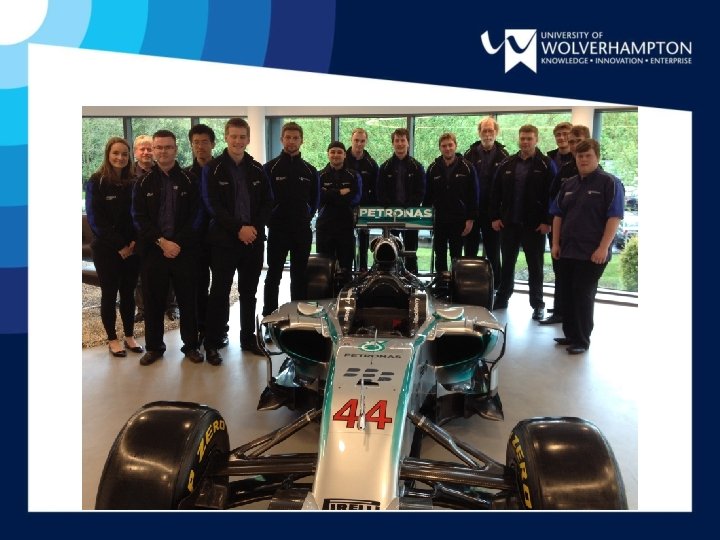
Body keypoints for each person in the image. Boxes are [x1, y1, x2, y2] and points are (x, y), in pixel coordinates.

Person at [202, 118, 273, 365]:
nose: (238, 141)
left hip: (252, 240)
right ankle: (212, 343)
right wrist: (238, 229)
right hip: (224, 241)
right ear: (226, 137)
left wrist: (253, 228)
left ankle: (248, 338)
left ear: (248, 139)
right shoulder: (212, 169)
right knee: (219, 293)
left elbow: (268, 202)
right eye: (233, 136)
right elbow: (212, 205)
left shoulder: (257, 169)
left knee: (249, 293)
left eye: (242, 136)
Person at [132, 129, 203, 366]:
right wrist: (162, 242)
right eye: (159, 147)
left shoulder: (190, 180)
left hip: (184, 251)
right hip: (154, 252)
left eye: (168, 147)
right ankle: (154, 347)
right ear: (153, 150)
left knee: (188, 301)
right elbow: (138, 217)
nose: (163, 151)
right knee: (153, 303)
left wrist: (177, 243)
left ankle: (191, 346)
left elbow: (197, 215)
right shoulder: (142, 183)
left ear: (176, 149)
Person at [550, 139, 624, 354]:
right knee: (567, 293)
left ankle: (582, 340)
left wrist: (603, 248)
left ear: (597, 157)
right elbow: (558, 215)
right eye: (580, 156)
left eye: (588, 155)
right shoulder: (569, 184)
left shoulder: (610, 183)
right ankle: (570, 334)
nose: (583, 159)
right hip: (567, 249)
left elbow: (614, 217)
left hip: (592, 252)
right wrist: (555, 243)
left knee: (582, 294)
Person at [85, 137, 143, 357]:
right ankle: (112, 339)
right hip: (106, 249)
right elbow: (95, 219)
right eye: (115, 153)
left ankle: (129, 335)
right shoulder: (97, 181)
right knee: (109, 294)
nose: (120, 157)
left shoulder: (134, 182)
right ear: (108, 155)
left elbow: (139, 215)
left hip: (132, 248)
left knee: (128, 293)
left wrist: (133, 243)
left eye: (124, 154)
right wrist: (120, 245)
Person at [490, 124, 554, 320]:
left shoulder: (546, 164)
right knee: (507, 264)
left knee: (535, 266)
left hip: (534, 226)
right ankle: (502, 298)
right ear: (519, 139)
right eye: (523, 138)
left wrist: (547, 221)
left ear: (536, 140)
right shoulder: (507, 163)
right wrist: (495, 217)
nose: (525, 142)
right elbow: (495, 192)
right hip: (509, 224)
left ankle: (537, 304)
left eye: (529, 138)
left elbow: (553, 195)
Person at [262, 121, 320, 335]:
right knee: (273, 276)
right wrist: (271, 219)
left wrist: (305, 217)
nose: (291, 141)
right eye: (288, 137)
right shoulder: (269, 168)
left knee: (299, 276)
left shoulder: (310, 170)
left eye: (296, 138)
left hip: (301, 231)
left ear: (301, 140)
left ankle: (299, 321)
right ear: (282, 140)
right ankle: (269, 321)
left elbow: (315, 200)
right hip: (278, 230)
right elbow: (263, 199)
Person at [540, 124, 591, 325]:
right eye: (572, 142)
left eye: (578, 141)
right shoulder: (565, 170)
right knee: (561, 272)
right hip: (560, 229)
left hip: (585, 235)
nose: (574, 145)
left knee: (580, 282)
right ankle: (561, 311)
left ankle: (574, 319)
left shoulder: (598, 174)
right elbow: (553, 198)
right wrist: (550, 223)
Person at [185, 123, 229, 349]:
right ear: (191, 145)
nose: (200, 146)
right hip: (195, 241)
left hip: (221, 239)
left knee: (220, 287)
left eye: (204, 142)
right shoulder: (185, 175)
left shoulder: (223, 170)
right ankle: (201, 328)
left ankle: (220, 329)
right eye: (196, 142)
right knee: (198, 287)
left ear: (213, 144)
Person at [463, 117, 509, 287]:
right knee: (470, 251)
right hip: (473, 213)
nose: (487, 134)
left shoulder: (504, 157)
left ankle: (495, 287)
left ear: (496, 132)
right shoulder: (469, 154)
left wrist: (499, 214)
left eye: (491, 130)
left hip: (493, 214)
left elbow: (506, 189)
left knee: (493, 252)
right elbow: (464, 186)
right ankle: (468, 286)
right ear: (479, 132)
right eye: (484, 131)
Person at [424, 132, 478, 272]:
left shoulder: (467, 167)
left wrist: (470, 219)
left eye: (450, 145)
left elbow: (473, 195)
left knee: (456, 256)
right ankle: (440, 282)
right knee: (440, 255)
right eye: (444, 146)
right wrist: (427, 218)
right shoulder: (432, 168)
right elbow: (427, 195)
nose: (447, 148)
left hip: (459, 220)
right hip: (439, 220)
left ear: (455, 146)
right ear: (440, 148)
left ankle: (456, 283)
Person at [376, 128, 426, 274]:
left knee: (411, 251)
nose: (400, 144)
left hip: (411, 214)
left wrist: (408, 207)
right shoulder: (384, 167)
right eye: (397, 140)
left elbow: (421, 191)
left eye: (402, 140)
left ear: (408, 143)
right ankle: (390, 277)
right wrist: (391, 207)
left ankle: (412, 278)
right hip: (390, 216)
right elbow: (380, 191)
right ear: (393, 143)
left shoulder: (417, 167)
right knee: (390, 250)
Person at [317, 141, 362, 282]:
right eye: (332, 152)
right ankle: (325, 293)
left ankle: (345, 293)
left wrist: (329, 193)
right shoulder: (319, 175)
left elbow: (356, 198)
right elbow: (318, 197)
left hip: (345, 226)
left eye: (339, 152)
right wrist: (340, 193)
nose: (336, 155)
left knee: (346, 267)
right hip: (325, 226)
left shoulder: (354, 175)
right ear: (328, 154)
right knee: (323, 267)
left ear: (344, 155)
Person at [344, 128, 379, 272]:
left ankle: (363, 269)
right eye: (356, 140)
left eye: (362, 141)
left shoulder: (371, 164)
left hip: (365, 208)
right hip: (346, 208)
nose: (359, 144)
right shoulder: (343, 160)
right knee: (347, 242)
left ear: (366, 142)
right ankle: (347, 271)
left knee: (364, 241)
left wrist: (373, 208)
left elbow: (377, 188)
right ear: (351, 140)